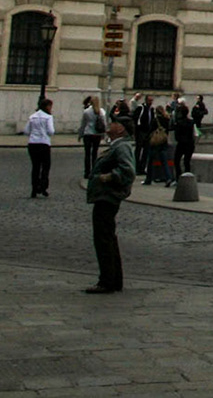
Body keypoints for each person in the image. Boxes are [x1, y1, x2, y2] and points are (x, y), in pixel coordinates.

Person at [83, 118, 135, 294]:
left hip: (108, 196)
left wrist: (109, 177)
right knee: (108, 237)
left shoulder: (121, 147)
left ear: (121, 129)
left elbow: (128, 170)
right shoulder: (118, 145)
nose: (109, 125)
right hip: (106, 196)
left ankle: (106, 281)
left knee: (103, 238)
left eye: (114, 123)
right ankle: (114, 279)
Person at [26, 98, 55, 198]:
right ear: (47, 107)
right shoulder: (48, 117)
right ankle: (43, 187)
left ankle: (34, 188)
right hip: (44, 143)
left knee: (35, 167)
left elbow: (26, 131)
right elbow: (51, 131)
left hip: (32, 143)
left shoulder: (32, 117)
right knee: (45, 167)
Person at [77, 96, 104, 181]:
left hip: (88, 133)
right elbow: (104, 124)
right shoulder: (101, 111)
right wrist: (103, 134)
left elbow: (83, 124)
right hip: (97, 134)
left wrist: (80, 134)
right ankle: (94, 171)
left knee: (87, 154)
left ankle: (87, 172)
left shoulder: (86, 112)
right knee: (95, 153)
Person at [170, 96, 196, 180]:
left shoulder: (179, 123)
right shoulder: (191, 122)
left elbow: (176, 134)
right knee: (186, 161)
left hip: (181, 144)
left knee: (177, 160)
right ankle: (187, 177)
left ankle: (178, 177)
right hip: (190, 144)